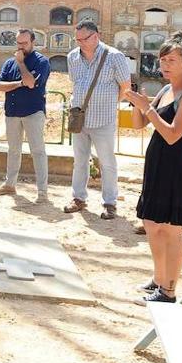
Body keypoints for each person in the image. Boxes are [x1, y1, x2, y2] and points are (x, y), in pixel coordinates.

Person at [123, 32, 182, 304]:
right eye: (162, 60)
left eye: (171, 60)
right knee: (151, 224)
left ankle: (168, 291)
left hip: (176, 167)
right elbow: (138, 125)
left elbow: (172, 134)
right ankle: (158, 279)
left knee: (171, 229)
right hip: (156, 164)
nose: (165, 65)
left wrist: (148, 109)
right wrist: (138, 104)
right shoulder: (166, 90)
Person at [65, 19, 132, 219]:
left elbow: (125, 87)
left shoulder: (114, 57)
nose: (80, 43)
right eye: (77, 40)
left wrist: (108, 103)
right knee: (80, 161)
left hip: (103, 119)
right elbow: (75, 84)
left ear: (96, 36)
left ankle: (110, 203)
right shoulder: (72, 57)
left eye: (84, 39)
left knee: (107, 162)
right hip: (79, 119)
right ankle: (78, 198)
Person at [0, 28, 50, 202]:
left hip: (33, 111)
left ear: (33, 42)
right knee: (13, 150)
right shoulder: (9, 63)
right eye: (18, 43)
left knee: (38, 151)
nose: (21, 46)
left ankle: (42, 192)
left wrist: (21, 64)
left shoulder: (41, 62)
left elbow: (31, 84)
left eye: (24, 43)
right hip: (12, 111)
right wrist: (19, 83)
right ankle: (10, 185)